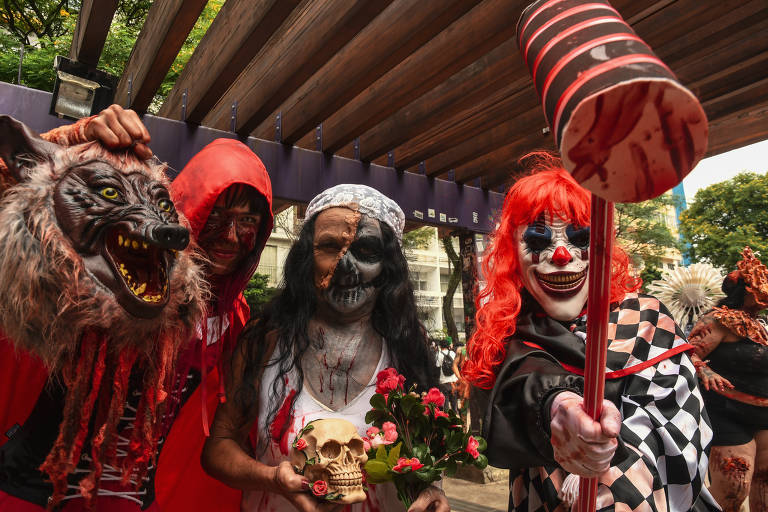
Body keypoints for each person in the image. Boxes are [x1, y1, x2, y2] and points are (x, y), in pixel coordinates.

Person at [0, 106, 275, 511]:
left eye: (248, 220)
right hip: (33, 492)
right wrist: (71, 140)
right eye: (216, 214)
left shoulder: (237, 321)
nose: (231, 236)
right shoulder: (91, 274)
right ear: (189, 207)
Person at [462, 152, 718, 511]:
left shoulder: (646, 319)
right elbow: (523, 384)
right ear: (512, 254)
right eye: (538, 241)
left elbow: (679, 425)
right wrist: (560, 408)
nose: (562, 254)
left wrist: (612, 473)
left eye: (580, 237)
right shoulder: (512, 331)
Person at [200, 184, 448, 512]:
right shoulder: (266, 340)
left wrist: (432, 489)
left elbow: (428, 450)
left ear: (388, 265)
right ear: (306, 257)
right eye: (330, 247)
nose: (346, 266)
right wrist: (272, 478)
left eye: (366, 250)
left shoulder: (408, 346)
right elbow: (218, 447)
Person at [688, 247, 768, 512]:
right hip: (727, 412)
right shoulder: (719, 319)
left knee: (765, 482)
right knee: (734, 487)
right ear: (745, 290)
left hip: (764, 414)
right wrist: (705, 371)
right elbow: (686, 353)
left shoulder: (760, 325)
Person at [435, 338, 459, 412]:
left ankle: (446, 416)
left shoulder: (439, 354)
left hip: (444, 381)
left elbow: (437, 365)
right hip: (453, 381)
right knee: (454, 402)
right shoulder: (452, 353)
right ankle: (455, 415)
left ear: (440, 346)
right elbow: (456, 364)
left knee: (445, 402)